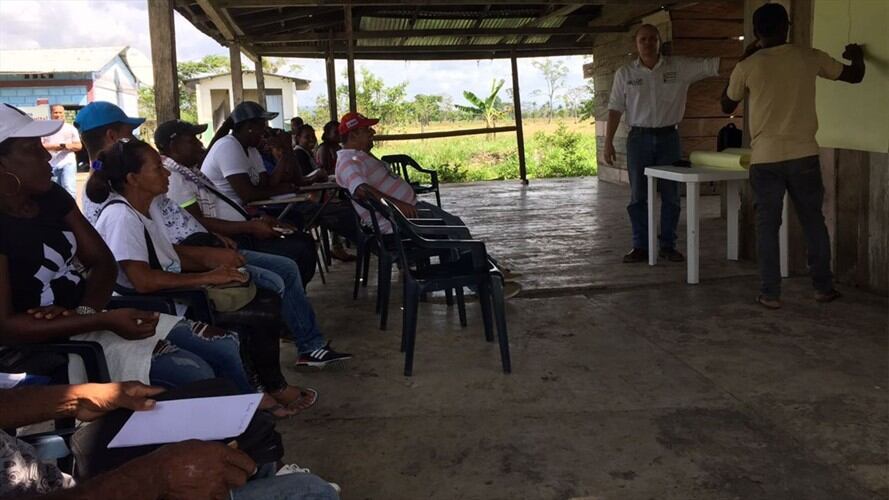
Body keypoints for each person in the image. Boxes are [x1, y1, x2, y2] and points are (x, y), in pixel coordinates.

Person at [0, 103, 257, 394]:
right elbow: (6, 328)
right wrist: (95, 319)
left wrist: (85, 312)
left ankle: (248, 410)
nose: (47, 156)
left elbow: (103, 262)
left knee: (223, 344)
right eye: (32, 149)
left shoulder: (51, 197)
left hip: (89, 314)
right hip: (41, 346)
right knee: (194, 371)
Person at [86, 138, 327, 412]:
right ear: (133, 179)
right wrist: (207, 278)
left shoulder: (144, 209)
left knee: (266, 300)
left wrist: (212, 260)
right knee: (240, 331)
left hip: (172, 297)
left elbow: (165, 253)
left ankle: (265, 388)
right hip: (149, 309)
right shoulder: (121, 217)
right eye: (157, 169)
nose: (166, 174)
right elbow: (142, 280)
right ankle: (251, 400)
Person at [155, 119, 353, 367]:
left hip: (224, 241)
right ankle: (304, 341)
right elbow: (200, 223)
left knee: (296, 253)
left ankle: (306, 340)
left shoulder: (190, 173)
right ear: (173, 146)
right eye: (192, 140)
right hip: (211, 253)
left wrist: (254, 219)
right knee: (284, 268)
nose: (199, 144)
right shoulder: (174, 178)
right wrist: (248, 227)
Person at [720, 3, 864, 309]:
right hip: (804, 155)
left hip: (765, 159)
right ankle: (823, 288)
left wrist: (746, 57)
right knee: (813, 221)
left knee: (767, 226)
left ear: (756, 32)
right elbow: (854, 76)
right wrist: (857, 55)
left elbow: (726, 105)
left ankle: (770, 293)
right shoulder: (808, 56)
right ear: (788, 27)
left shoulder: (749, 65)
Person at [0, 382, 340, 499]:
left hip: (62, 483)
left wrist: (77, 397)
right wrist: (154, 476)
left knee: (249, 438)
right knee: (310, 491)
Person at [334, 112, 522, 298]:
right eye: (367, 130)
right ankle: (486, 286)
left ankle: (491, 270)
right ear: (353, 135)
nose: (372, 132)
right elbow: (361, 190)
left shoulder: (358, 156)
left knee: (456, 225)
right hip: (400, 222)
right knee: (455, 231)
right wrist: (397, 205)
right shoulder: (348, 161)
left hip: (409, 211)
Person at [604, 23, 721, 264]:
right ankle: (641, 246)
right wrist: (608, 142)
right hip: (638, 139)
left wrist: (751, 56)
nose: (648, 43)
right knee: (638, 195)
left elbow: (713, 65)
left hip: (669, 138)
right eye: (643, 39)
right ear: (636, 44)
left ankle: (668, 245)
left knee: (671, 194)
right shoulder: (625, 74)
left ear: (659, 42)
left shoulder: (679, 67)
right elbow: (615, 109)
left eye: (652, 39)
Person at [203, 102, 359, 255]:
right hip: (230, 223)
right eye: (261, 125)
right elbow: (248, 194)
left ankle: (363, 242)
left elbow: (268, 183)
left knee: (304, 229)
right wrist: (280, 189)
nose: (264, 131)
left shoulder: (252, 150)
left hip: (249, 214)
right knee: (302, 244)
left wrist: (286, 149)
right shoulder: (228, 146)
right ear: (249, 126)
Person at [41, 104, 82, 196]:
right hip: (50, 164)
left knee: (69, 189)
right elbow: (40, 146)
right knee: (53, 191)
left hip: (68, 163)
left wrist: (65, 146)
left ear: (64, 114)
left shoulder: (71, 128)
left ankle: (71, 205)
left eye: (60, 112)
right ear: (51, 113)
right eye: (56, 112)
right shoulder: (45, 129)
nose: (58, 115)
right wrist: (55, 146)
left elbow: (79, 146)